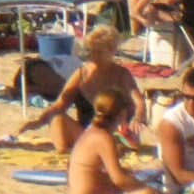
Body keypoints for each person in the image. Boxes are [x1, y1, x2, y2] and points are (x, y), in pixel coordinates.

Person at [18, 25, 148, 153]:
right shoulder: (82, 73)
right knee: (56, 118)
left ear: (112, 50)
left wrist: (137, 118)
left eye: (99, 52)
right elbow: (60, 104)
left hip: (115, 133)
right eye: (91, 51)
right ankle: (65, 155)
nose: (93, 56)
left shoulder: (121, 74)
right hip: (86, 132)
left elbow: (139, 102)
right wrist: (38, 122)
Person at [69, 90, 150, 194]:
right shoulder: (104, 138)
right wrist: (145, 186)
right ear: (122, 114)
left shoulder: (91, 132)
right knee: (147, 192)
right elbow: (119, 179)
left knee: (126, 176)